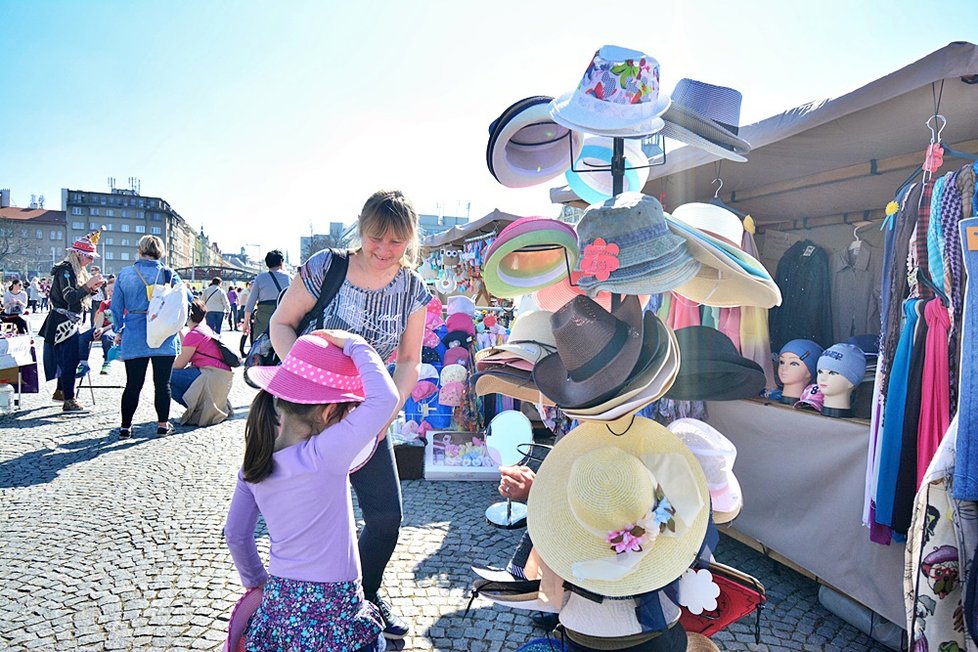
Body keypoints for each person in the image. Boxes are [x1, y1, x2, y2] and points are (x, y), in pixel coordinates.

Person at [269, 189, 431, 639]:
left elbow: (408, 361)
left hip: (366, 416)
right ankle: (294, 603)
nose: (383, 251)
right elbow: (281, 324)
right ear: (361, 229)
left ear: (410, 241)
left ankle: (367, 594)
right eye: (376, 238)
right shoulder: (327, 266)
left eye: (396, 242)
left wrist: (386, 413)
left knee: (385, 515)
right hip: (307, 412)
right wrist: (302, 382)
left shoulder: (414, 290)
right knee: (305, 516)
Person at [225, 329, 398, 651]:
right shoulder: (324, 454)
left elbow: (235, 534)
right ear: (328, 412)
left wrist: (257, 583)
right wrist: (354, 343)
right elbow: (385, 399)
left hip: (280, 604)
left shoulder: (253, 467)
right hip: (335, 604)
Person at [111, 235, 190, 439]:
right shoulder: (169, 273)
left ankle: (125, 427)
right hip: (163, 333)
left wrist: (119, 329)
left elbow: (116, 307)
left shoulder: (126, 274)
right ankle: (163, 425)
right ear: (160, 251)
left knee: (133, 384)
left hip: (135, 332)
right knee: (162, 383)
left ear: (140, 250)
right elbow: (186, 299)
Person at [38, 232, 106, 412]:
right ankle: (69, 399)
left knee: (67, 359)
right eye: (89, 257)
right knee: (69, 360)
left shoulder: (73, 270)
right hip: (62, 322)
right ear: (79, 254)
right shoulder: (66, 270)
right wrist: (88, 286)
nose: (91, 261)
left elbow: (76, 297)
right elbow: (70, 297)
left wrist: (91, 288)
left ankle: (61, 391)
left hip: (67, 321)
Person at [169, 299, 234, 426]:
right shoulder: (204, 329)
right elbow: (187, 344)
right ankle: (201, 406)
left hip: (210, 374)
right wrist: (178, 329)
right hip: (222, 375)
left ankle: (197, 409)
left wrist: (163, 367)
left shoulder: (194, 334)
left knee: (165, 378)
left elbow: (179, 365)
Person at [243, 252, 290, 345]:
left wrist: (246, 322)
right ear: (281, 262)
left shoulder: (260, 278)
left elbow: (250, 303)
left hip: (264, 318)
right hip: (284, 316)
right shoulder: (289, 278)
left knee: (260, 346)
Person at [78, 275, 118, 375]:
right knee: (82, 337)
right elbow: (100, 317)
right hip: (102, 327)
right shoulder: (105, 303)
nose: (110, 293)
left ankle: (107, 362)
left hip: (114, 328)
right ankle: (84, 363)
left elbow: (119, 322)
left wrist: (103, 330)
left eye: (113, 290)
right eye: (108, 291)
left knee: (107, 337)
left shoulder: (124, 304)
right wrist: (98, 328)